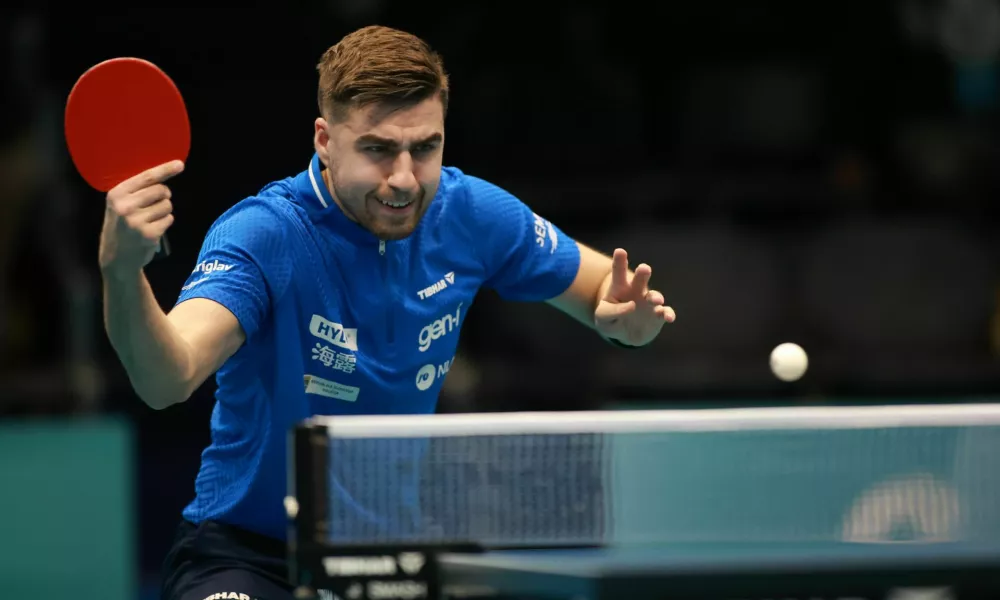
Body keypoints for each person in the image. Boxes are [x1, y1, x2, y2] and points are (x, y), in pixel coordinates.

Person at [98, 25, 675, 600]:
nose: (403, 179)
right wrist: (121, 273)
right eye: (377, 149)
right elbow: (166, 379)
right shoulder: (265, 233)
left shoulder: (469, 213)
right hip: (248, 554)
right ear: (325, 140)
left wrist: (625, 321)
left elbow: (604, 287)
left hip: (386, 558)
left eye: (425, 148)